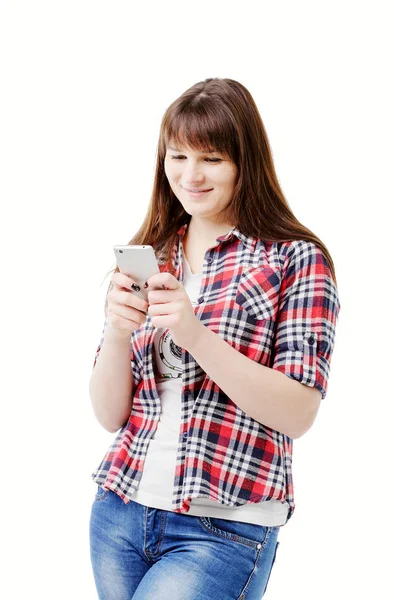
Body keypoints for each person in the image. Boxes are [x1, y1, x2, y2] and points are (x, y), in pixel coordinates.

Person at [88, 77, 341, 600]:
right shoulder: (152, 250)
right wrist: (116, 334)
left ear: (245, 162)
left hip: (223, 528)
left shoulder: (294, 259)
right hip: (120, 513)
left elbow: (298, 412)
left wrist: (194, 333)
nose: (190, 175)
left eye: (212, 158)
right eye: (177, 156)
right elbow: (110, 414)